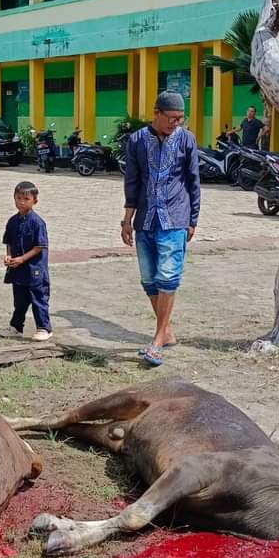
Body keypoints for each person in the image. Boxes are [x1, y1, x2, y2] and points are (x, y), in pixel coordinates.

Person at [121, 91, 201, 365]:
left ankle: (157, 339)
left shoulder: (187, 140)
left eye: (180, 119)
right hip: (145, 219)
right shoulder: (137, 141)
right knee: (149, 280)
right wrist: (127, 220)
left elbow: (193, 181)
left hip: (175, 217)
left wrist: (193, 219)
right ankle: (165, 331)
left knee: (168, 276)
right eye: (171, 118)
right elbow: (131, 182)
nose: (175, 123)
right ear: (156, 113)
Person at [1, 181, 52, 340]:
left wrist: (22, 259)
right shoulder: (12, 221)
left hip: (34, 269)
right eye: (18, 198)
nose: (21, 202)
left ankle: (44, 327)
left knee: (38, 298)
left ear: (34, 201)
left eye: (26, 199)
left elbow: (40, 246)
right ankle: (16, 326)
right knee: (20, 301)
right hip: (17, 269)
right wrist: (8, 256)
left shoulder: (37, 222)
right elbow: (8, 241)